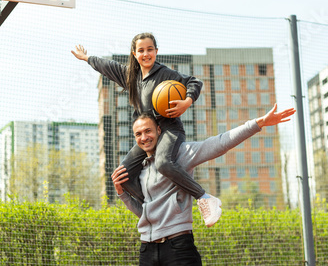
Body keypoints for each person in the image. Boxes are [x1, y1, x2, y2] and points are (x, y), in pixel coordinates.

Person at [111, 104, 296, 266]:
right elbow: (144, 213)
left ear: (159, 130)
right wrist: (123, 194)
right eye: (138, 134)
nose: (144, 137)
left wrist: (258, 123)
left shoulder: (179, 155)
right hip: (147, 250)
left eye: (148, 131)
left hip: (178, 247)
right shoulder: (140, 170)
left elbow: (219, 143)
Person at [72, 32, 221, 227]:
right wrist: (87, 58)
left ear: (156, 51)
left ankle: (204, 197)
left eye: (150, 49)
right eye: (141, 50)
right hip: (147, 136)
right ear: (134, 54)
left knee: (163, 163)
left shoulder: (165, 73)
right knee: (121, 176)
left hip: (169, 129)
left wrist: (186, 102)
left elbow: (194, 82)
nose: (146, 54)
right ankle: (154, 207)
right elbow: (108, 66)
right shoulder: (130, 77)